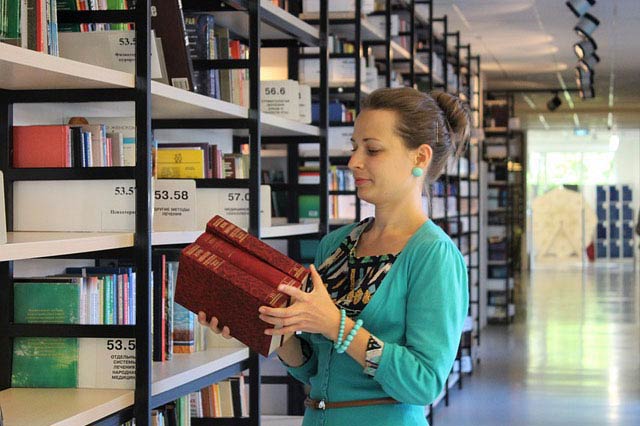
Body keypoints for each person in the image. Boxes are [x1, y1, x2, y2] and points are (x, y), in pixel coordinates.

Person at [198, 87, 470, 425]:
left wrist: (337, 327)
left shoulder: (434, 255)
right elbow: (313, 368)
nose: (354, 162)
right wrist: (268, 327)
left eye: (372, 149)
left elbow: (424, 383)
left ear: (420, 158)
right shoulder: (337, 245)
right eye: (354, 148)